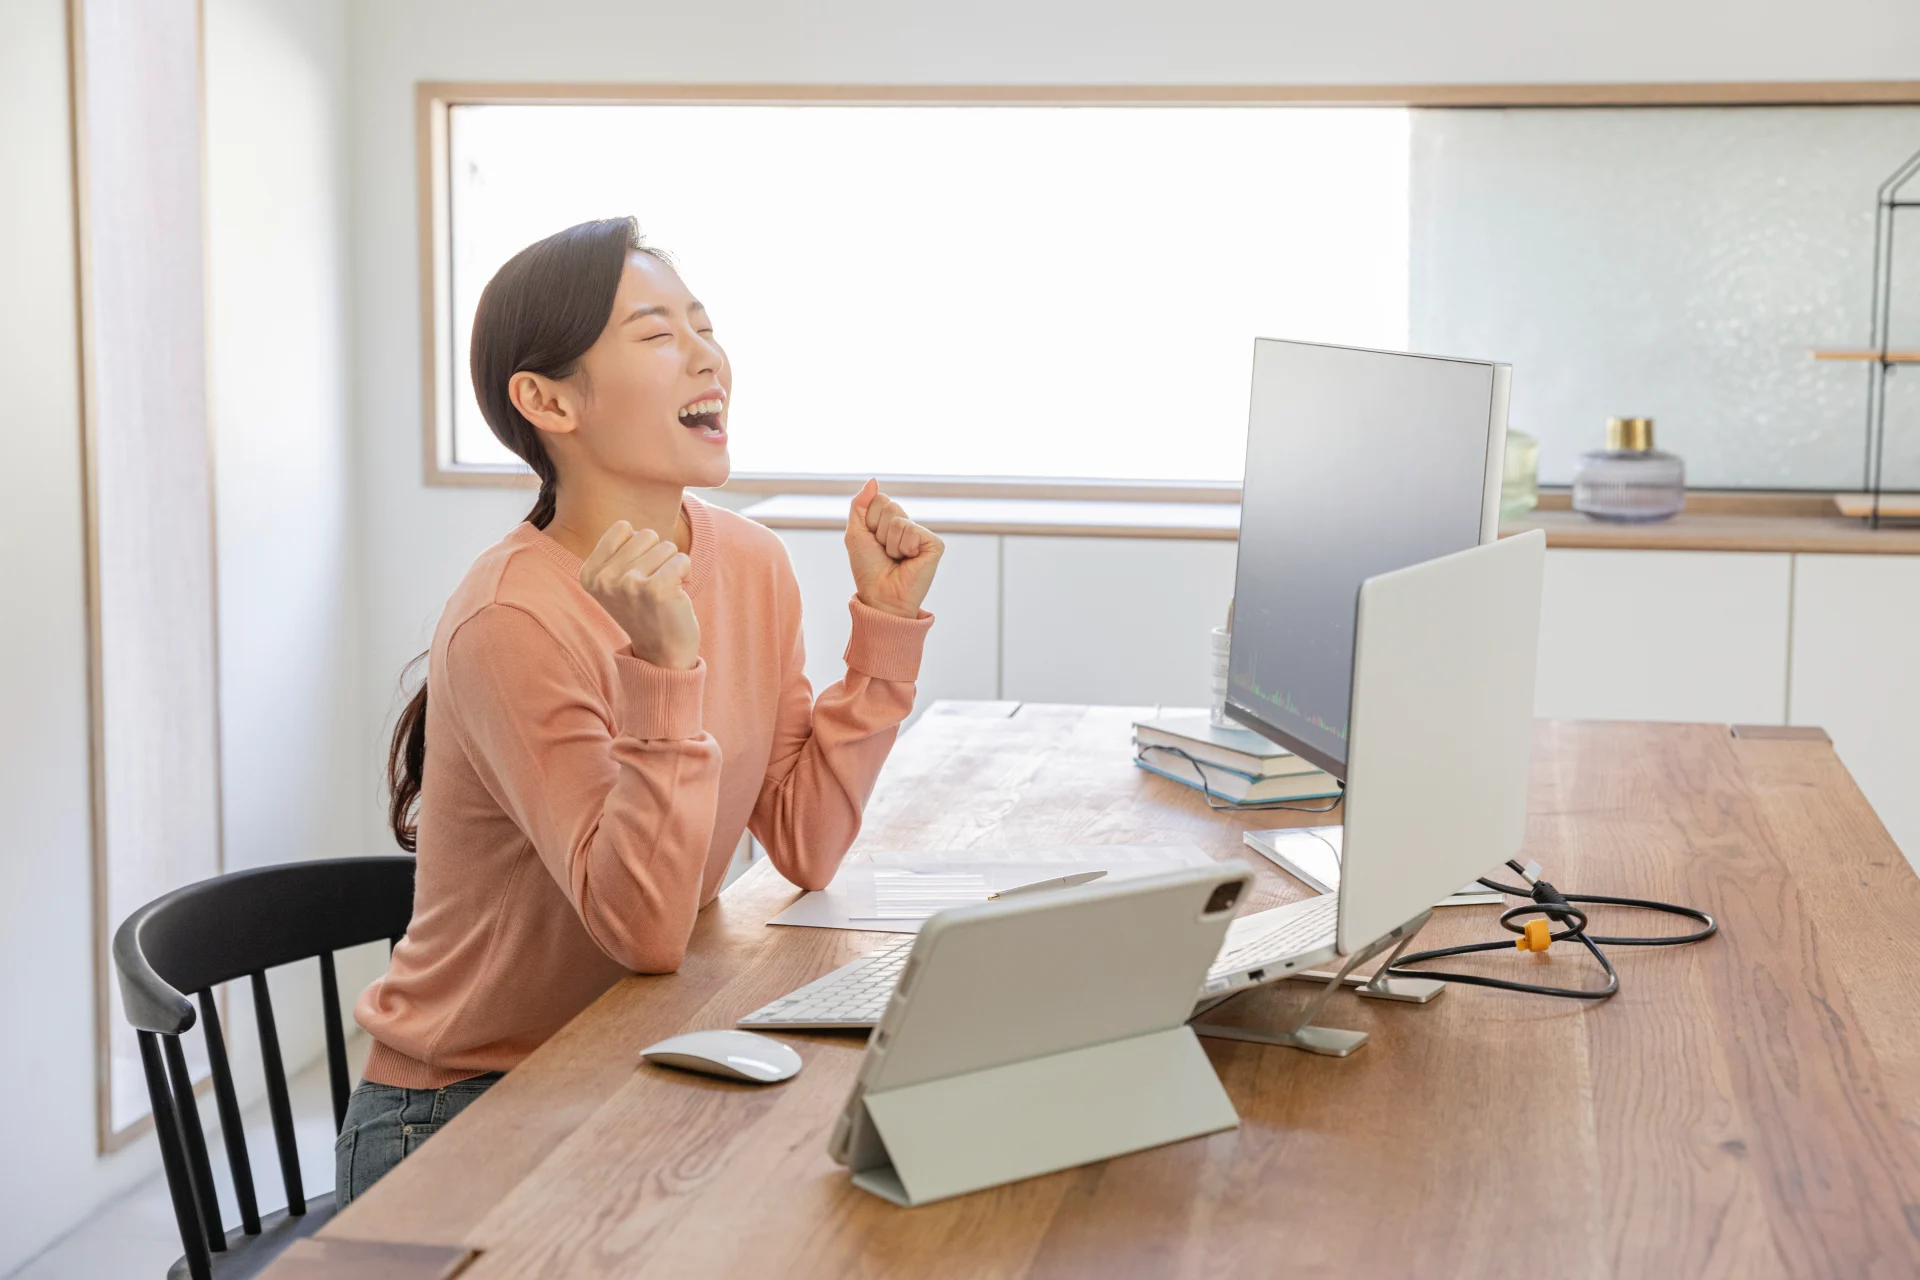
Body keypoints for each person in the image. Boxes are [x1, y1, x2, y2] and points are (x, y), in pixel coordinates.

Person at [335, 217, 942, 1204]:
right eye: (657, 335)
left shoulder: (749, 561)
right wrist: (660, 666)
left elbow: (805, 837)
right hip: (466, 1103)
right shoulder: (510, 619)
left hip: (628, 1049)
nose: (707, 355)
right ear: (547, 399)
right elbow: (645, 929)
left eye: (703, 325)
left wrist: (884, 625)